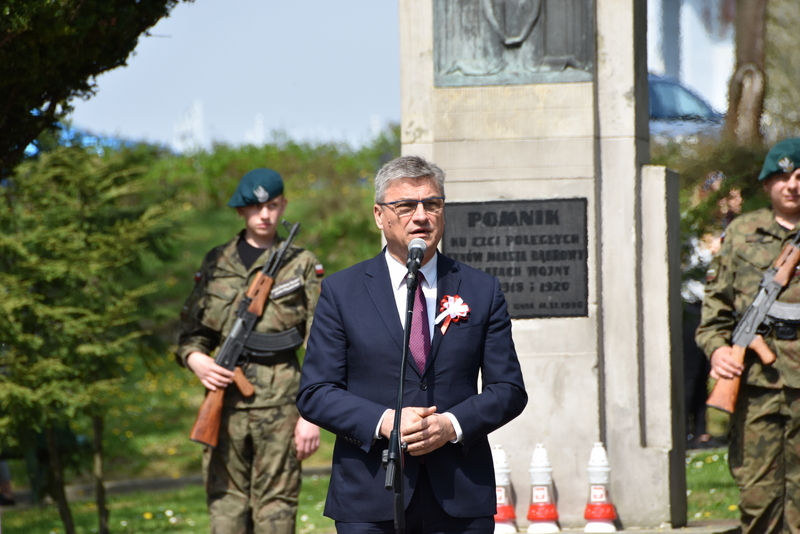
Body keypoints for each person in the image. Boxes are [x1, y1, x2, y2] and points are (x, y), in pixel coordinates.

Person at [296, 155, 528, 533]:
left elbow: (509, 390)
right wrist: (386, 420)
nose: (421, 216)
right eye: (405, 206)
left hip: (459, 496)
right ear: (378, 215)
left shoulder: (481, 290)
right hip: (369, 497)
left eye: (432, 204)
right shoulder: (342, 292)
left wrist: (451, 425)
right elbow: (316, 392)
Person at [176, 168, 323, 534]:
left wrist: (311, 415)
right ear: (241, 211)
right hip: (224, 404)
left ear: (283, 205)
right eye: (256, 207)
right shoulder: (216, 262)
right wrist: (196, 361)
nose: (265, 215)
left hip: (282, 407)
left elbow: (322, 344)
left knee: (277, 510)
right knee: (225, 508)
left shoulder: (301, 264)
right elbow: (192, 334)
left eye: (273, 206)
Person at [696, 138, 800, 534]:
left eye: (798, 176)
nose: (791, 185)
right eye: (781, 176)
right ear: (766, 184)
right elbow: (714, 311)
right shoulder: (741, 234)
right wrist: (719, 350)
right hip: (758, 388)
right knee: (759, 496)